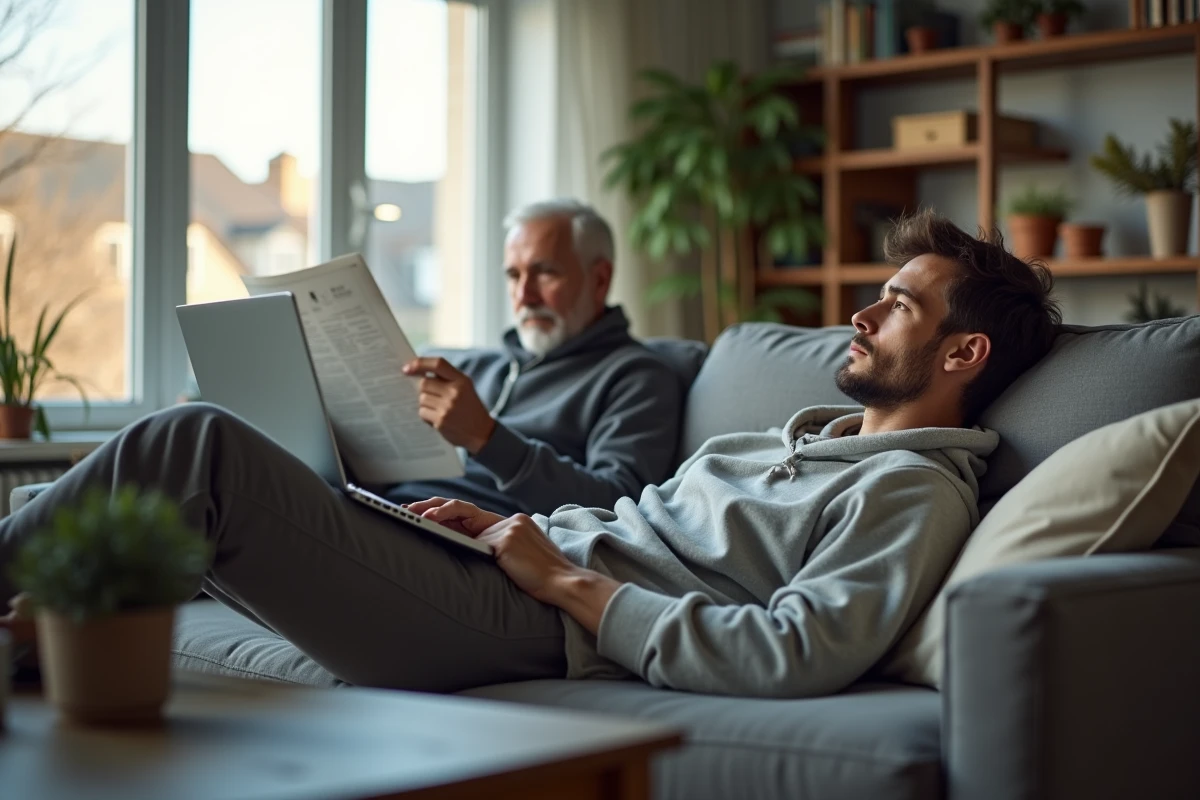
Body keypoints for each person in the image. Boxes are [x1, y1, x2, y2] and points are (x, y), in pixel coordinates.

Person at [0, 210, 1061, 698]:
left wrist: (563, 575)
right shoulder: (777, 441)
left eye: (900, 304)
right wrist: (511, 528)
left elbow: (798, 650)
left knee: (198, 448)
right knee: (188, 480)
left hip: (535, 613)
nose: (862, 311)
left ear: (964, 351)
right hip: (503, 561)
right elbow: (632, 516)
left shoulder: (917, 490)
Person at [390, 198, 683, 517]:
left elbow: (618, 504)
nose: (524, 295)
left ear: (600, 280)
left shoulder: (636, 378)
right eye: (514, 276)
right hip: (386, 505)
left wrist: (487, 438)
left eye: (545, 273)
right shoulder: (474, 366)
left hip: (468, 540)